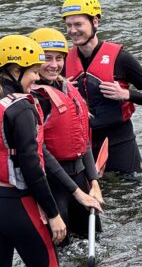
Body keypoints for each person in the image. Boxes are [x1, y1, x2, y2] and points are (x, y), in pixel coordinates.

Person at [0, 34, 102, 267]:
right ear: (16, 71)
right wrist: (53, 214)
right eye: (33, 72)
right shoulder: (22, 107)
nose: (37, 78)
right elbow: (33, 166)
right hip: (17, 205)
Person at [60, 0, 142, 175]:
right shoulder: (62, 63)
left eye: (78, 24)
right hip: (83, 145)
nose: (73, 30)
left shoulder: (121, 58)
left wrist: (126, 94)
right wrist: (60, 90)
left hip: (120, 141)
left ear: (95, 22)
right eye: (69, 25)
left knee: (131, 189)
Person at [29, 27, 103, 241]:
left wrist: (94, 182)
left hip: (80, 179)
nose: (54, 65)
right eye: (47, 58)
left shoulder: (67, 88)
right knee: (60, 251)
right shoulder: (32, 99)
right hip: (54, 186)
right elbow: (40, 151)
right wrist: (76, 192)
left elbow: (82, 138)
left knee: (96, 242)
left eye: (59, 58)